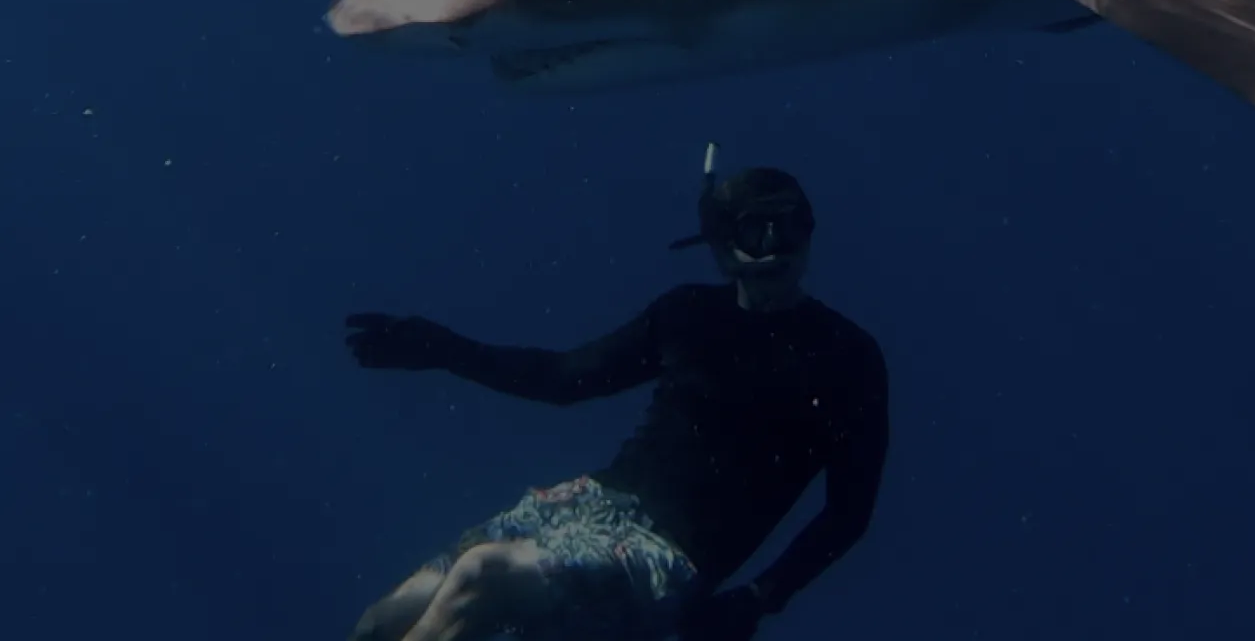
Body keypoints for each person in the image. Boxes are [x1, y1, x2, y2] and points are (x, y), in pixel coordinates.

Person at [341, 153, 888, 641]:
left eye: (788, 229)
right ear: (722, 247)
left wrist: (760, 597)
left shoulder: (848, 360)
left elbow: (848, 514)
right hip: (584, 507)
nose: (774, 251)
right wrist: (444, 349)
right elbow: (563, 379)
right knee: (382, 620)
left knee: (480, 578)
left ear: (810, 232)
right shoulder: (686, 314)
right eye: (755, 232)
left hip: (665, 563)